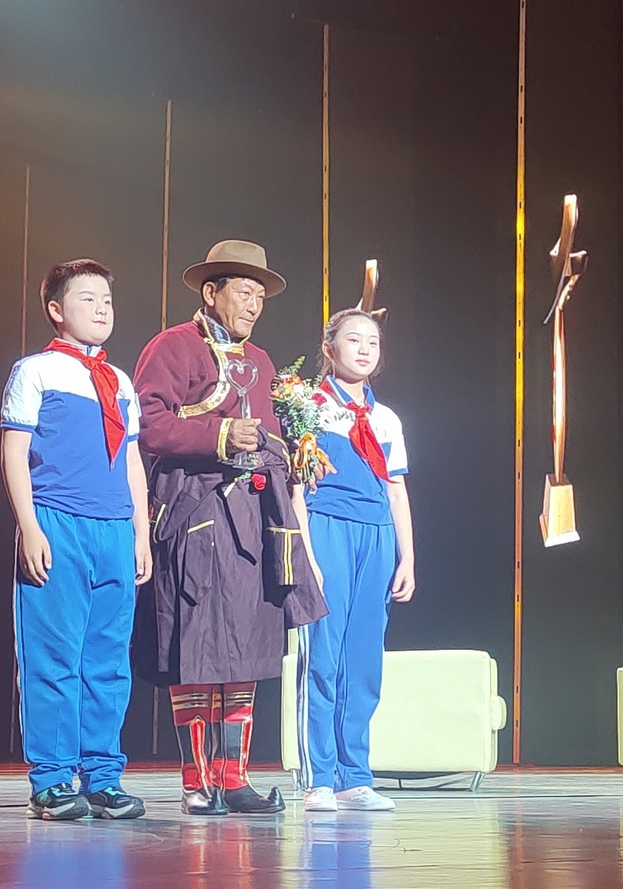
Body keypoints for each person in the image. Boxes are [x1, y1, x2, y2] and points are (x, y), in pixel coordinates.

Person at [132, 239, 328, 816]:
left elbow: (268, 435)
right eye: (243, 292)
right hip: (194, 513)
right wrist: (219, 435)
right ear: (211, 291)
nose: (253, 304)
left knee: (246, 644)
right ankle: (197, 783)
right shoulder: (174, 346)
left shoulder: (261, 362)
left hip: (251, 519)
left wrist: (291, 454)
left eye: (260, 295)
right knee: (198, 646)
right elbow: (148, 423)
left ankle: (234, 778)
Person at [0, 259, 151, 822]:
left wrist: (141, 531)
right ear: (56, 310)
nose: (102, 308)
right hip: (58, 522)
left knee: (108, 661)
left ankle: (104, 777)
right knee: (54, 655)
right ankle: (53, 779)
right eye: (87, 298)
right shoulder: (35, 371)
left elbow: (132, 461)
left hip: (114, 529)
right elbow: (14, 453)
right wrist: (29, 526)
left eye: (107, 299)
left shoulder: (121, 381)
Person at [296, 309, 414, 813]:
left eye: (373, 341)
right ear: (329, 349)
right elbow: (296, 487)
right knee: (323, 657)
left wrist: (407, 557)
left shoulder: (386, 419)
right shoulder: (307, 406)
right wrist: (306, 553)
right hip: (327, 528)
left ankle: (354, 776)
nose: (365, 349)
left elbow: (396, 489)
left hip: (377, 536)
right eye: (353, 339)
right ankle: (319, 777)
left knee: (363, 661)